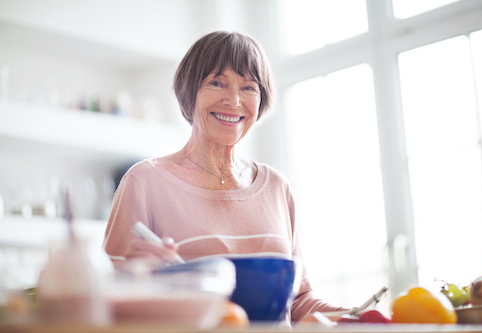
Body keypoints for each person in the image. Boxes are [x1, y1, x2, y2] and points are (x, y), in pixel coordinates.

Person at [103, 31, 342, 323]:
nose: (233, 100)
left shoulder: (277, 187)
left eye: (249, 87)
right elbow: (106, 299)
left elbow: (299, 301)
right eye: (217, 83)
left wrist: (357, 315)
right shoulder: (144, 182)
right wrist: (139, 276)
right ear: (190, 91)